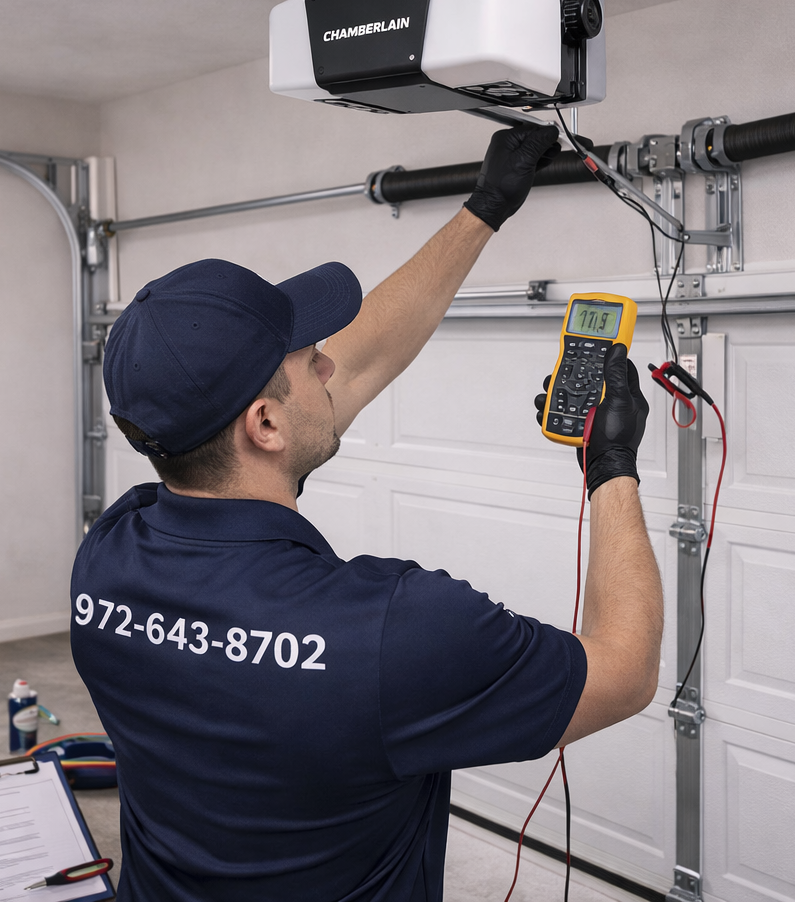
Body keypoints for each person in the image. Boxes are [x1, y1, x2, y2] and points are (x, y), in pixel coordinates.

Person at [70, 124, 663, 902]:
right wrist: (611, 468)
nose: (329, 360)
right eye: (306, 358)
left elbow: (362, 356)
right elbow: (623, 672)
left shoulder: (108, 553)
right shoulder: (392, 627)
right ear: (266, 427)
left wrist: (484, 208)